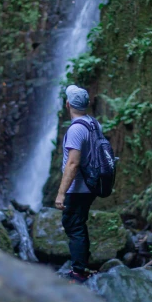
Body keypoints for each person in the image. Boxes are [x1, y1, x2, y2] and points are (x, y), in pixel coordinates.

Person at [55, 84, 101, 283]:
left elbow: (73, 164)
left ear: (68, 104)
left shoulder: (76, 130)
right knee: (78, 224)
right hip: (90, 185)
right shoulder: (93, 123)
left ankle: (78, 272)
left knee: (73, 225)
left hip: (78, 187)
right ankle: (81, 266)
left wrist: (61, 193)